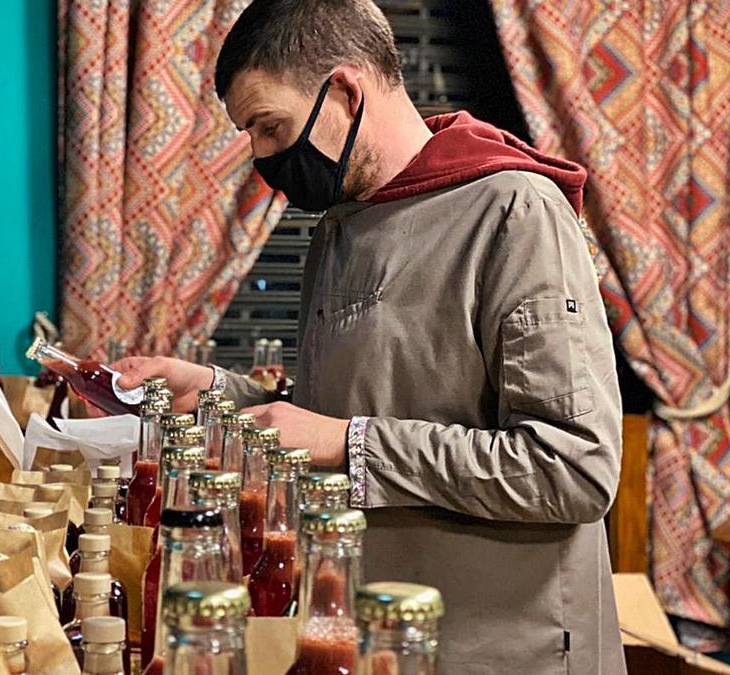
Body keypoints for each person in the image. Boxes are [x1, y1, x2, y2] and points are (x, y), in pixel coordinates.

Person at [112, 1, 624, 672]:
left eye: (271, 127)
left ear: (347, 92)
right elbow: (355, 404)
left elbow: (573, 466)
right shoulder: (340, 227)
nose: (263, 156)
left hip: (501, 646)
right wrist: (215, 392)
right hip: (371, 635)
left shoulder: (513, 212)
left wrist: (345, 444)